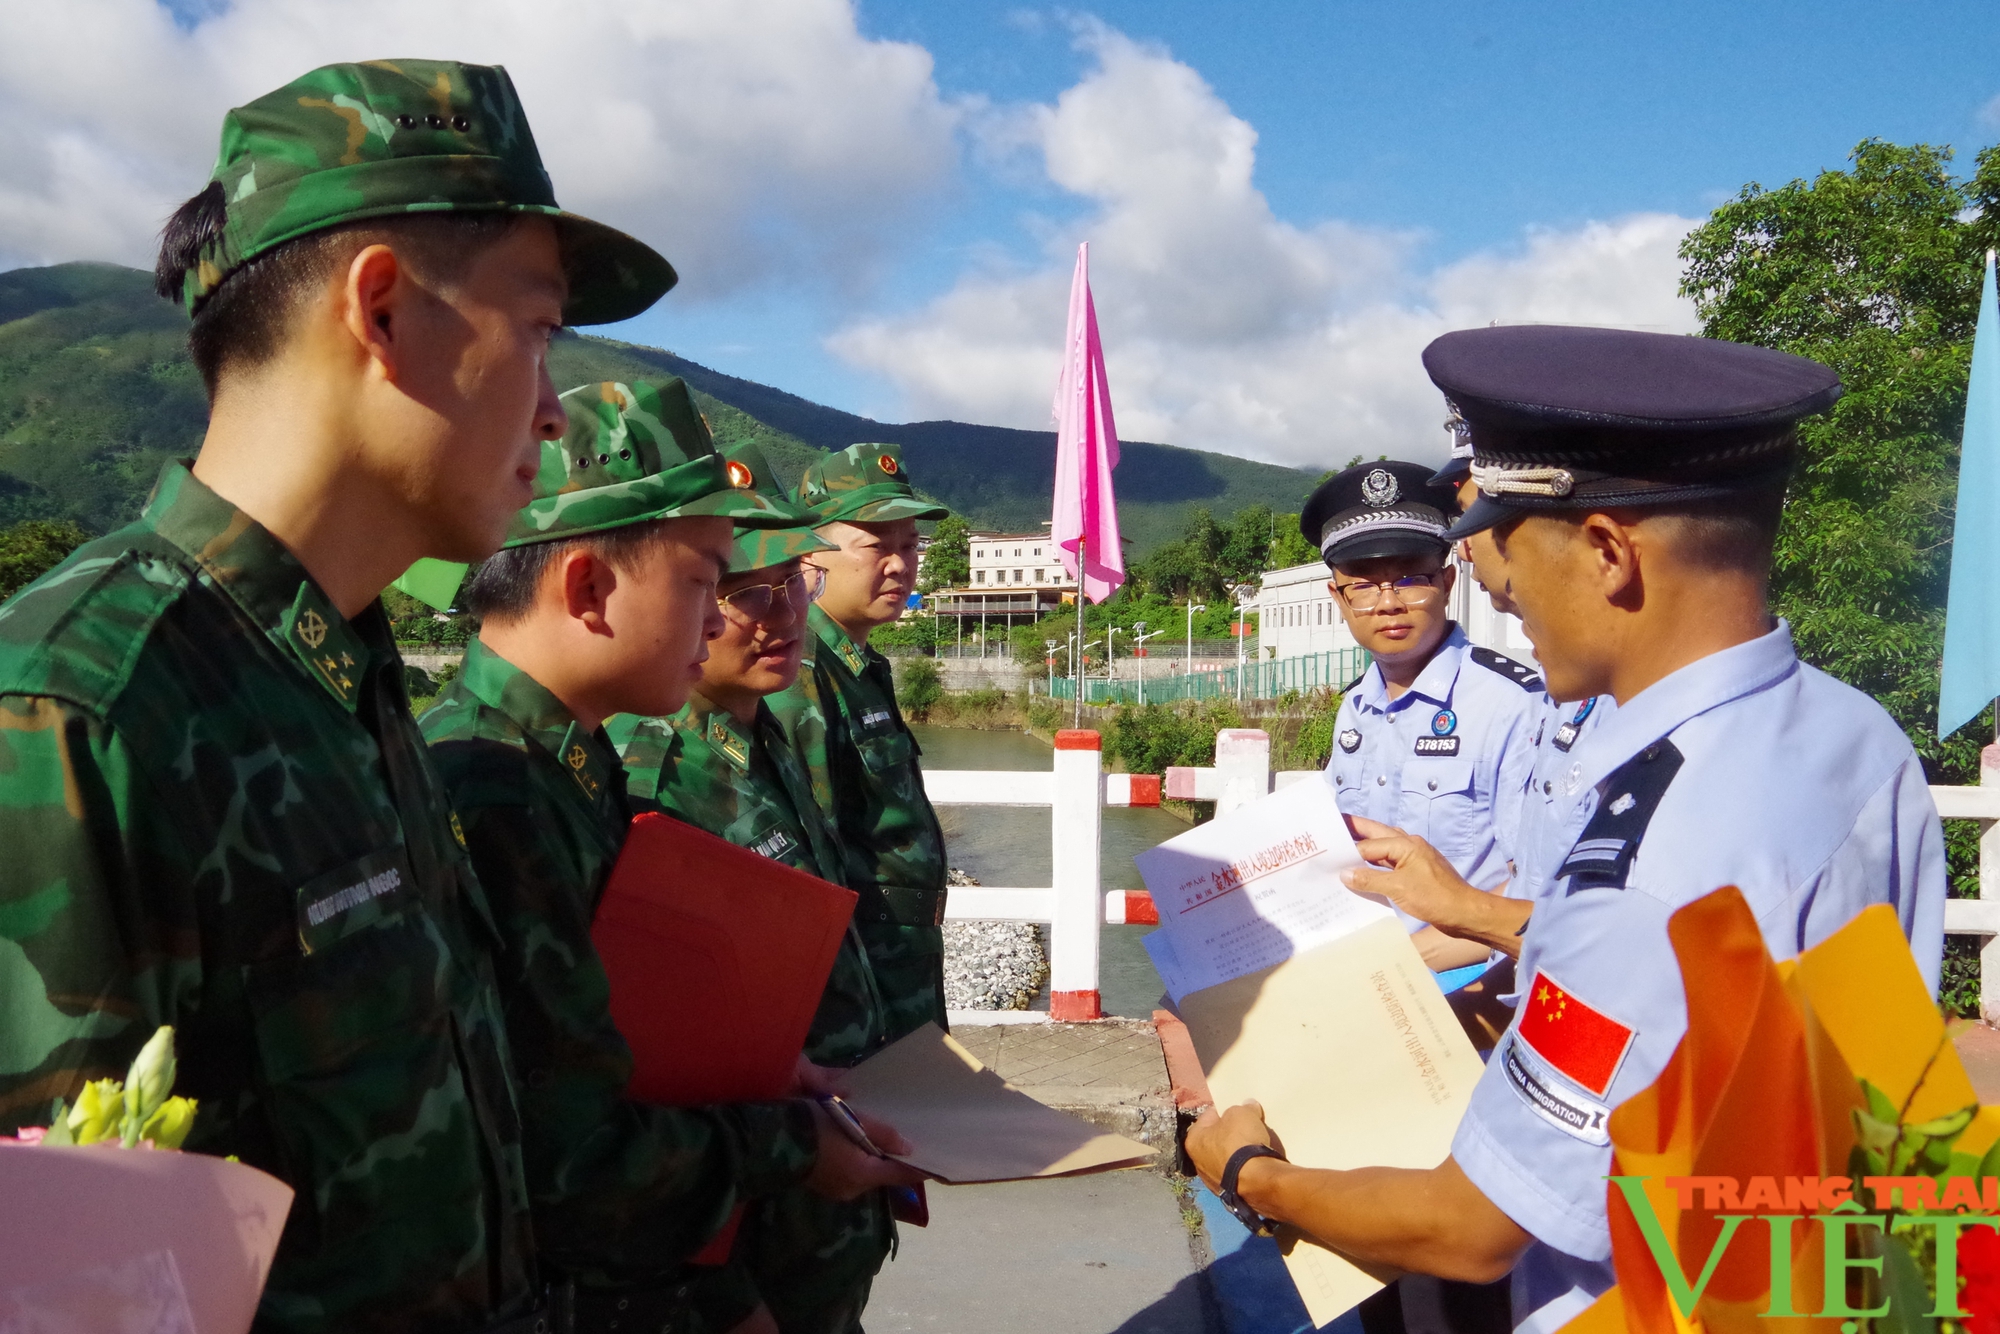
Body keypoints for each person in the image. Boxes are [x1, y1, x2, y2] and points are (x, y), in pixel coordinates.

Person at [0, 60, 674, 1333]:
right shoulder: (78, 710)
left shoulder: (337, 673)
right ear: (379, 310)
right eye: (537, 330)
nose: (552, 406)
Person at [1187, 325, 1947, 1334]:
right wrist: (1474, 911)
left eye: (1502, 546)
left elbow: (1469, 1227)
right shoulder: (1850, 732)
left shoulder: (1641, 863)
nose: (1495, 584)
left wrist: (1249, 1168)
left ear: (1604, 552)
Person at [421, 384, 922, 1334]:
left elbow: (636, 1048)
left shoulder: (565, 763)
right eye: (706, 583)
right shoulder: (490, 788)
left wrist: (776, 1083)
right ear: (586, 588)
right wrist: (789, 1147)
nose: (726, 618)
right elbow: (562, 1153)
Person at [610, 441, 895, 1334]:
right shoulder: (649, 771)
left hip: (826, 1183)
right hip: (751, 1215)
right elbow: (652, 1064)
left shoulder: (768, 734)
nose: (784, 616)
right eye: (743, 593)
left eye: (791, 585)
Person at [1304, 460, 1544, 976]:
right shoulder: (1356, 707)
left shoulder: (1513, 704)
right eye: (1364, 586)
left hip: (1469, 988)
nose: (1388, 604)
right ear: (1337, 598)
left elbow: (1537, 880)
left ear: (1449, 580)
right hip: (1360, 975)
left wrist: (1412, 962)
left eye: (1411, 579)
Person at [772, 444, 951, 1041]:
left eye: (909, 546)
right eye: (877, 546)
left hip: (900, 970)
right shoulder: (799, 670)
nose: (900, 565)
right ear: (811, 552)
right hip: (860, 988)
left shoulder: (858, 664)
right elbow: (810, 868)